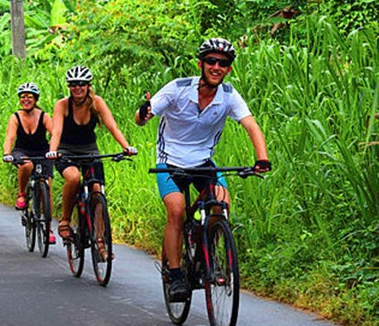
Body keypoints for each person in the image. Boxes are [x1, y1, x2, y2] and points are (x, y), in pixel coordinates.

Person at [135, 37, 270, 301]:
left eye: (223, 63)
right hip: (169, 161)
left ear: (229, 69)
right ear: (201, 64)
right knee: (176, 211)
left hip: (203, 162)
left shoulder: (229, 95)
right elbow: (142, 119)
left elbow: (251, 125)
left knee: (222, 204)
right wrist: (144, 113)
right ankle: (175, 276)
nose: (216, 66)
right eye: (211, 61)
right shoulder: (178, 88)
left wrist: (262, 158)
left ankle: (209, 251)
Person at [46, 66, 137, 247]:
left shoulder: (97, 103)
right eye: (73, 85)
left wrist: (126, 147)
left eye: (81, 84)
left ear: (88, 86)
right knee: (73, 178)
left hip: (90, 151)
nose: (77, 88)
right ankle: (65, 221)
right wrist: (52, 151)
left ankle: (100, 238)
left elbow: (113, 127)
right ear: (69, 87)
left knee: (97, 190)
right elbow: (56, 131)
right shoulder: (62, 105)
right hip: (67, 151)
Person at [2, 82, 55, 243]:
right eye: (23, 96)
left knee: (47, 186)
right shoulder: (16, 117)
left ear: (35, 99)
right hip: (22, 151)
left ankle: (48, 228)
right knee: (27, 165)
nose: (26, 99)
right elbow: (10, 137)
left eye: (30, 96)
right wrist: (7, 153)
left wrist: (55, 150)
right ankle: (22, 193)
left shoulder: (44, 116)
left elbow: (54, 134)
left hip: (42, 152)